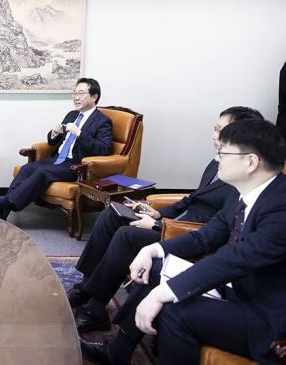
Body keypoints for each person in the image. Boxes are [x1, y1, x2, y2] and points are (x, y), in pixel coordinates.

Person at [81, 118, 286, 365]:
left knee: (177, 312)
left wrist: (164, 292)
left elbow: (237, 258)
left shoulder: (280, 206)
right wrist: (153, 249)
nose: (217, 158)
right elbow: (205, 236)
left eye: (224, 153)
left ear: (251, 162)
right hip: (236, 287)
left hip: (264, 314)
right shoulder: (245, 195)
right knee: (155, 268)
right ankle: (118, 352)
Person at [0, 77, 113, 220]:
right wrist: (55, 132)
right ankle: (2, 211)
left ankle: (1, 203)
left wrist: (79, 133)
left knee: (42, 172)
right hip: (57, 159)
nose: (76, 98)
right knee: (26, 168)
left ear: (94, 97)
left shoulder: (102, 121)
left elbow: (105, 149)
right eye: (75, 93)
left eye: (81, 93)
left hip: (75, 165)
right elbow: (52, 142)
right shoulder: (72, 115)